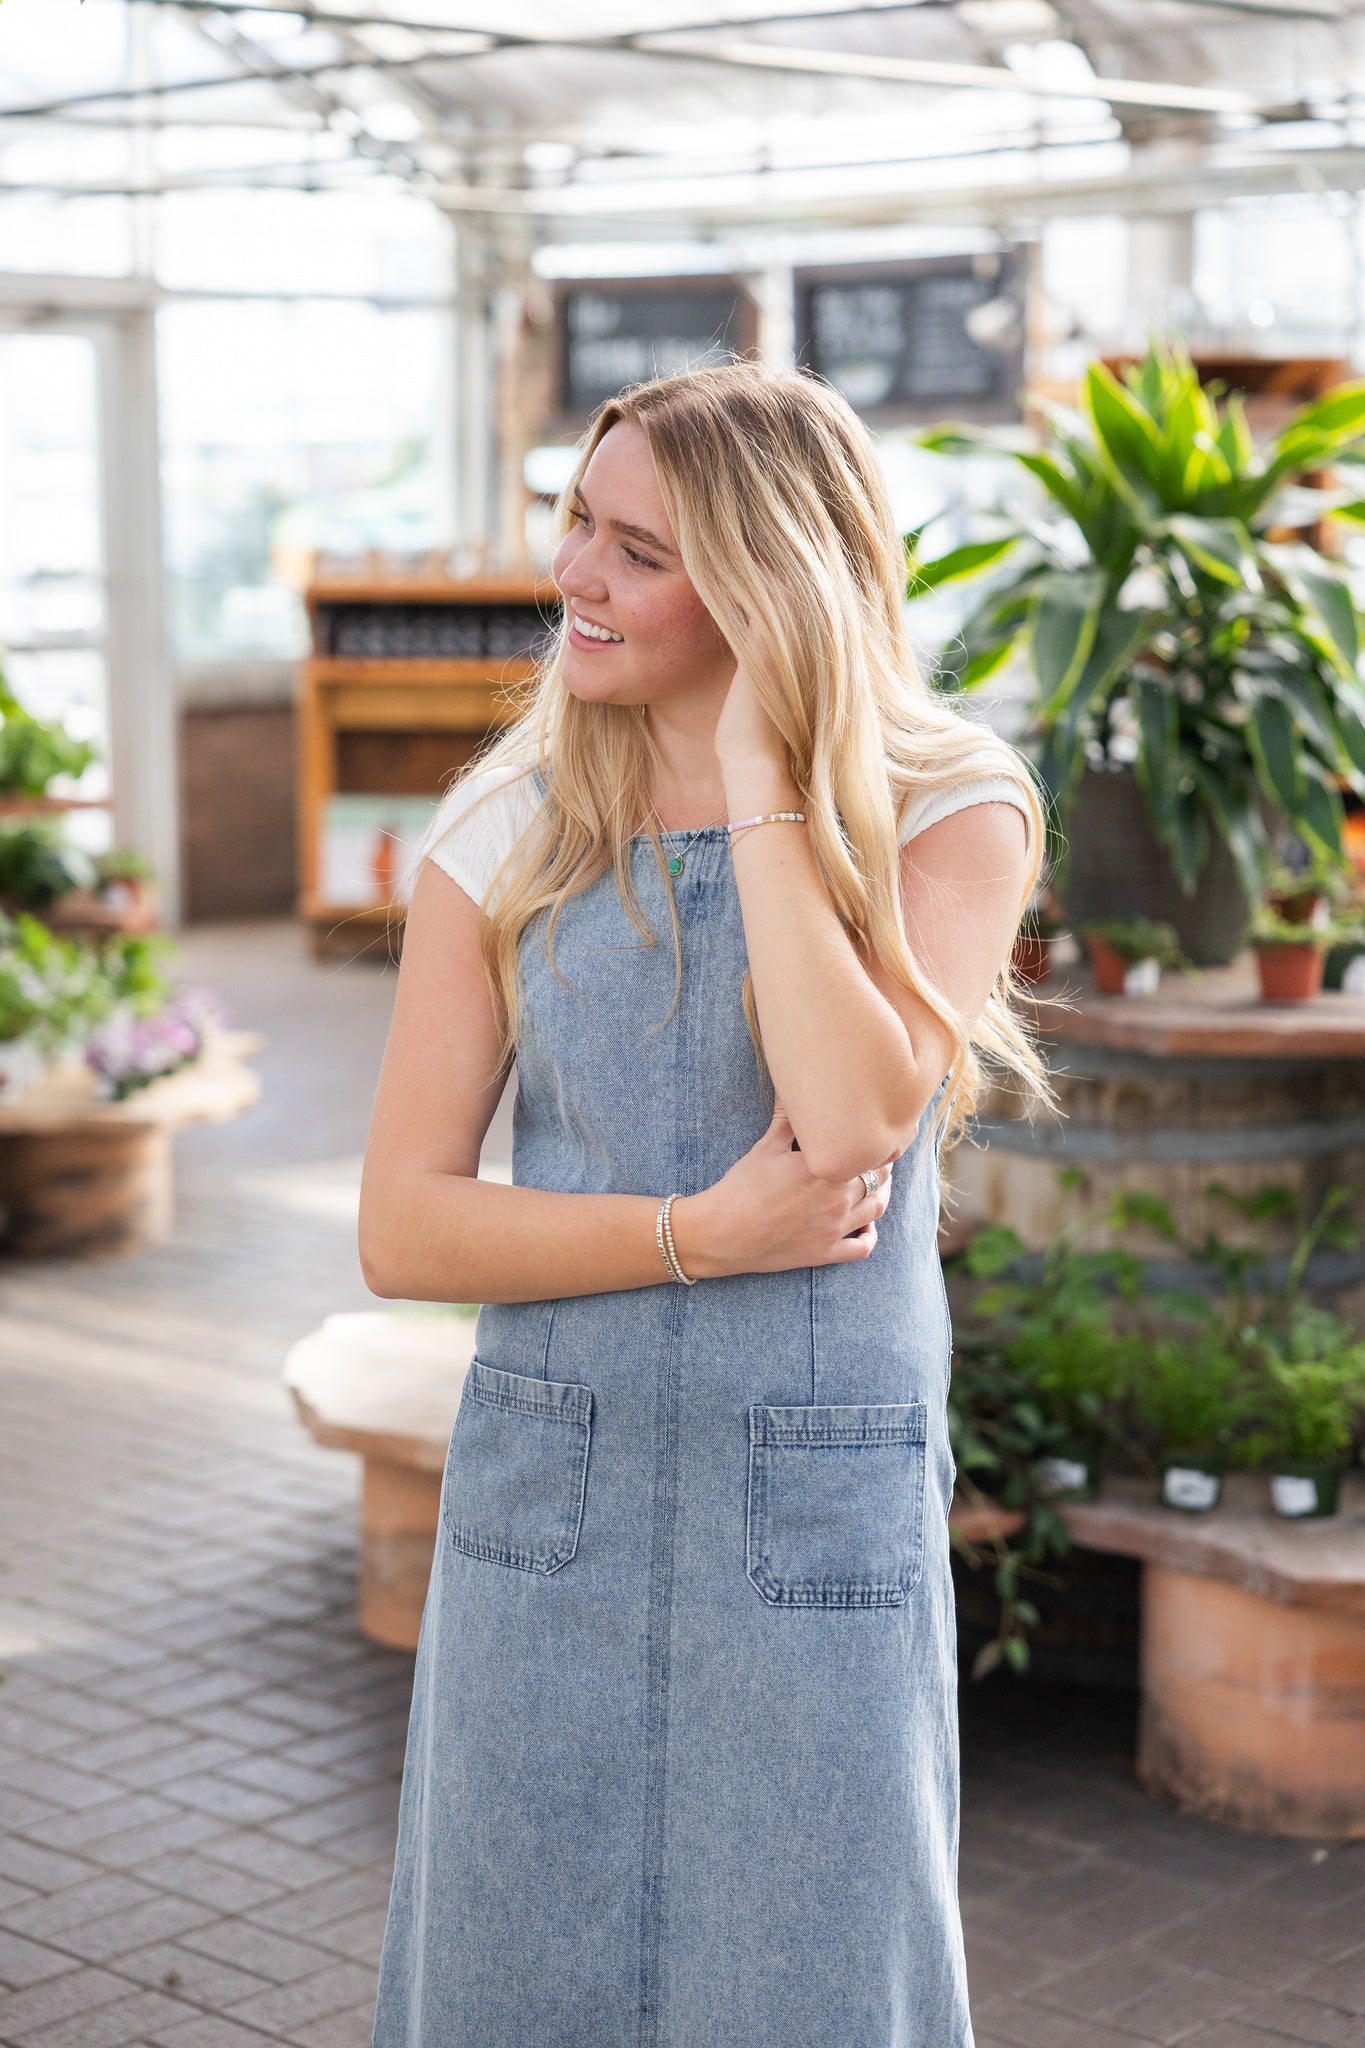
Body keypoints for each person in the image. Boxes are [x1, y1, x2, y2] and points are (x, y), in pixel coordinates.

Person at [360, 360, 1048, 2048]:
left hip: (809, 1510)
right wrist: (694, 1238)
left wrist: (760, 777)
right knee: (514, 1982)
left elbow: (857, 1106)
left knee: (807, 1986)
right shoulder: (503, 830)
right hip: (555, 1490)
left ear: (767, 579)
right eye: (576, 526)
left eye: (638, 551)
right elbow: (405, 1226)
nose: (573, 579)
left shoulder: (948, 810)